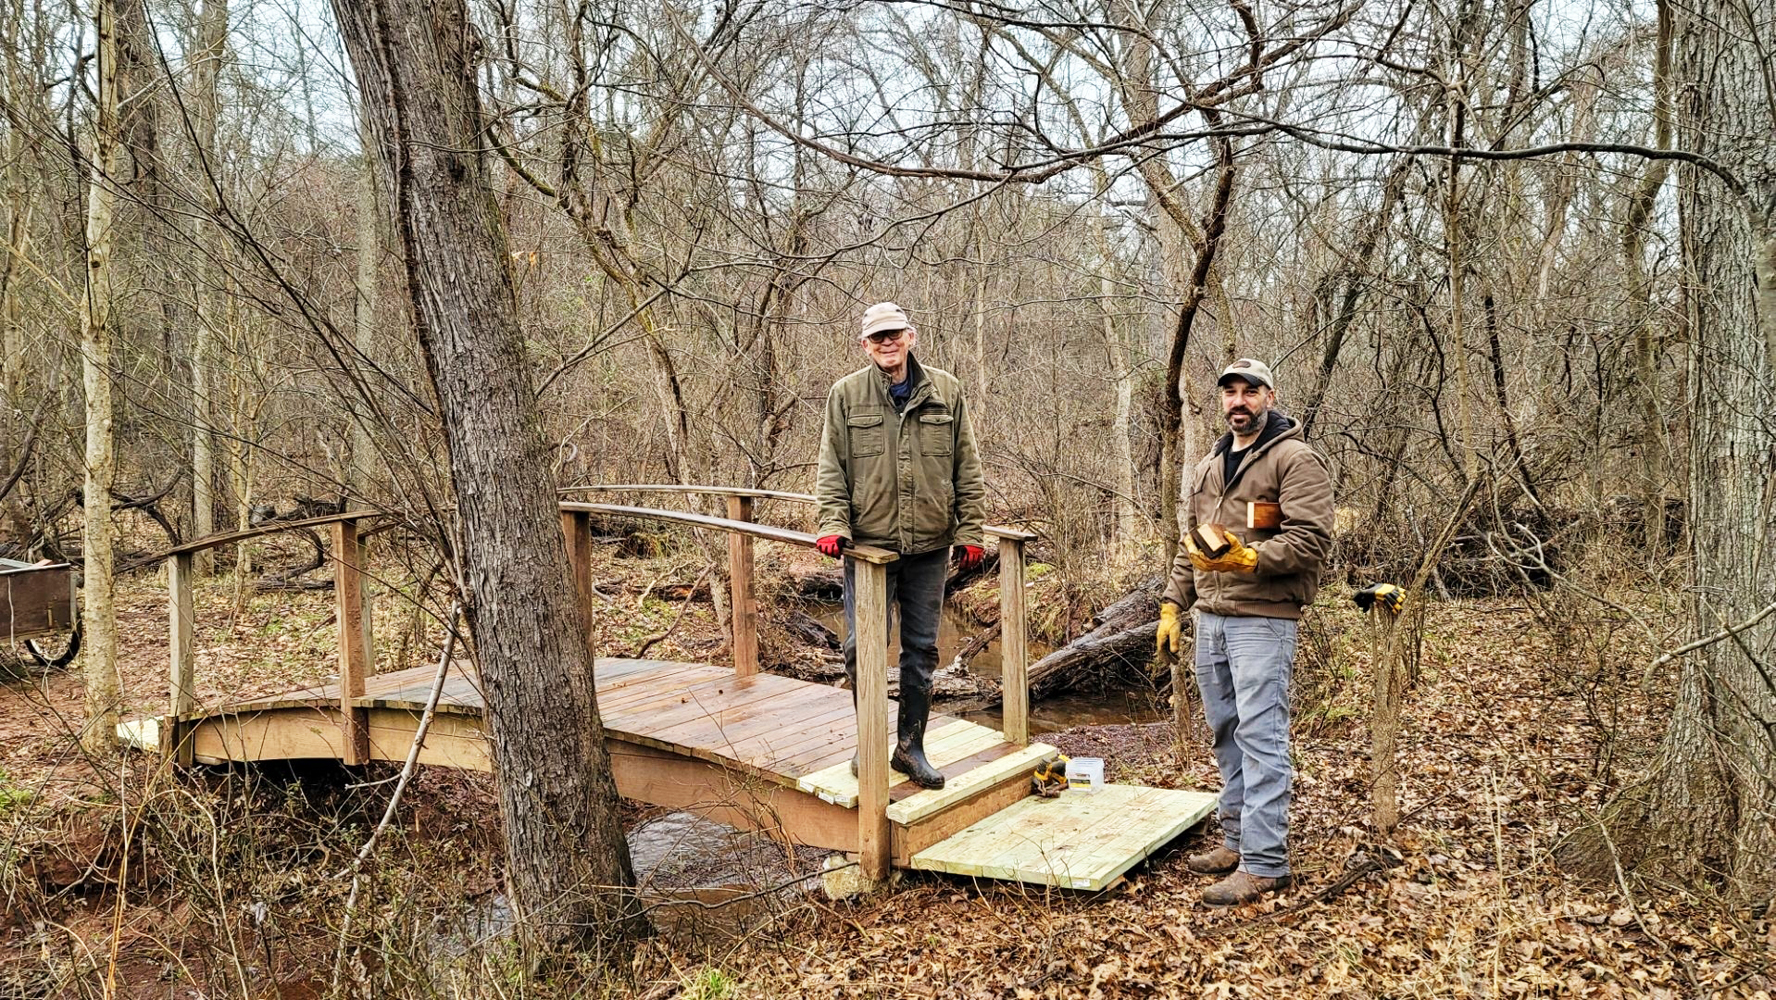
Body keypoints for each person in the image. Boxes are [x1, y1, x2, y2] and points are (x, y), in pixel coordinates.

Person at [1155, 357, 1334, 905]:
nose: (1239, 401)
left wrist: (1249, 558)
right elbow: (1198, 545)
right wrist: (1171, 604)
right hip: (1211, 620)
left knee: (1261, 738)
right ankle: (1235, 840)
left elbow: (1311, 542)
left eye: (1249, 392)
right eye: (1230, 392)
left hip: (1263, 620)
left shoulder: (1294, 460)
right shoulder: (1211, 464)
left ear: (1270, 397)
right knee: (1226, 732)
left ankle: (1265, 862)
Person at [815, 301, 987, 789]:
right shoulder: (846, 394)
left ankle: (910, 748)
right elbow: (832, 467)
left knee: (920, 650)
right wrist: (833, 523)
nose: (887, 343)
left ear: (911, 336)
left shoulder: (946, 390)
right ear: (865, 345)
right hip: (869, 550)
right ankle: (867, 741)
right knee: (858, 649)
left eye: (895, 334)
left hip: (930, 546)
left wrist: (971, 529)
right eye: (877, 337)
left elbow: (966, 466)